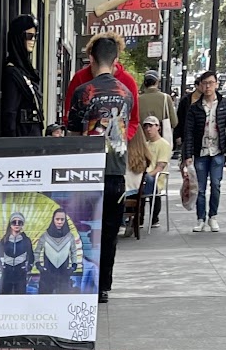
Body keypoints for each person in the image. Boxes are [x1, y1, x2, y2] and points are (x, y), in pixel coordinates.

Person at [65, 34, 134, 304]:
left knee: (83, 228)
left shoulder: (84, 92)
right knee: (110, 231)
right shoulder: (127, 93)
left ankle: (84, 280)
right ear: (116, 60)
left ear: (91, 59)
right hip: (116, 170)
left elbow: (72, 133)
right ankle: (103, 286)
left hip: (87, 170)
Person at [177, 71, 226, 233]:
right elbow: (189, 132)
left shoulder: (224, 104)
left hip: (218, 151)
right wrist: (187, 155)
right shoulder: (195, 108)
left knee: (216, 184)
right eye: (205, 83)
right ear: (200, 85)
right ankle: (200, 218)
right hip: (200, 152)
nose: (208, 86)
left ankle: (213, 216)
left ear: (216, 84)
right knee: (199, 188)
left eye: (211, 83)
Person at [63, 38, 139, 137]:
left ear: (91, 58)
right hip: (116, 143)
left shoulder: (127, 81)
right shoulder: (126, 90)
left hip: (90, 143)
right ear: (115, 60)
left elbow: (71, 122)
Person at [0, 14, 42, 137]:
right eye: (29, 36)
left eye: (35, 36)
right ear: (19, 37)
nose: (33, 40)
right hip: (22, 138)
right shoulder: (12, 72)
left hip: (31, 136)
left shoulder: (26, 71)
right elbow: (9, 113)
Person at [35, 204, 84, 292]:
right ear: (53, 219)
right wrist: (38, 266)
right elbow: (37, 252)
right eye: (57, 219)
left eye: (62, 219)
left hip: (64, 275)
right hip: (47, 275)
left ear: (65, 220)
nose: (59, 222)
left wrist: (73, 266)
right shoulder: (45, 236)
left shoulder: (70, 236)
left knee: (63, 297)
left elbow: (74, 252)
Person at [138, 115, 172, 227]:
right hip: (144, 175)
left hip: (156, 177)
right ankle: (137, 217)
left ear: (158, 127)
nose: (148, 129)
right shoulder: (145, 145)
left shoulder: (164, 144)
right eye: (146, 127)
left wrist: (145, 175)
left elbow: (160, 167)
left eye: (151, 126)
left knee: (146, 181)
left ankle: (152, 218)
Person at [0, 210, 34, 292]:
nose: (17, 224)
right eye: (14, 222)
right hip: (6, 274)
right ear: (10, 224)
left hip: (21, 274)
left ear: (22, 224)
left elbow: (31, 256)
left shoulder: (26, 240)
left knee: (20, 296)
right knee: (4, 296)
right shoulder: (4, 240)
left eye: (19, 222)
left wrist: (28, 268)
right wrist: (1, 267)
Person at [140, 70, 178, 148]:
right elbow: (174, 122)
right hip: (162, 140)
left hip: (143, 142)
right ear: (157, 82)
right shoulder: (165, 98)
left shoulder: (138, 99)